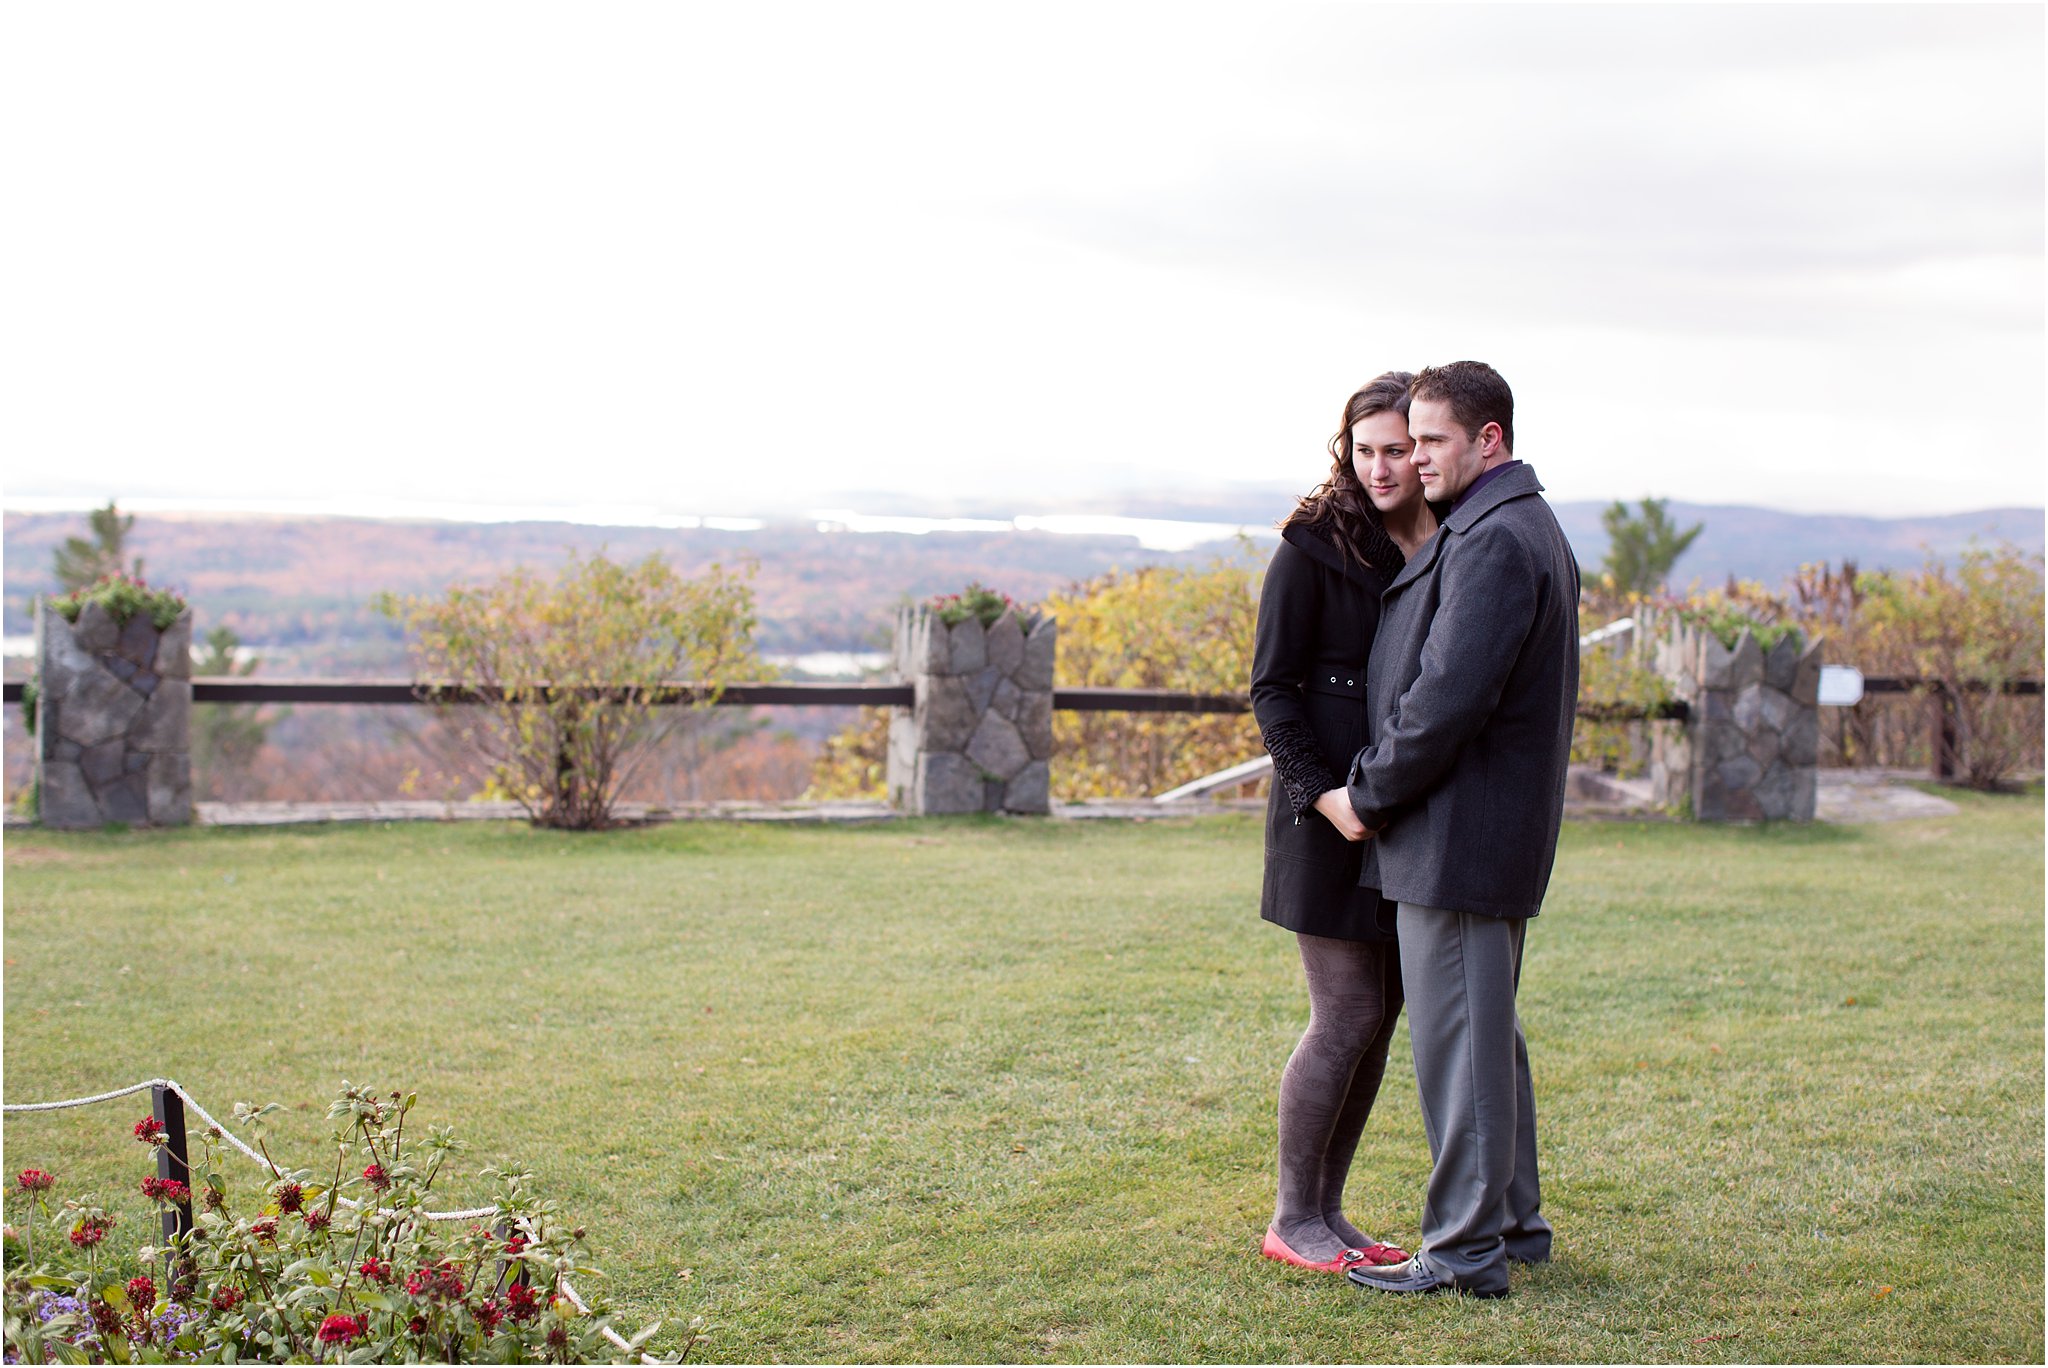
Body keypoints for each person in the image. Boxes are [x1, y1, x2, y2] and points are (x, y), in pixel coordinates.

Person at [1337, 360, 1579, 1299]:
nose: (1417, 456)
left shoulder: (1494, 539)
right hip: (1472, 831)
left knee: (1461, 1043)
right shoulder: (1509, 524)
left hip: (1460, 832)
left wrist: (1368, 792)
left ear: (1489, 440)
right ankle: (1512, 1223)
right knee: (1485, 1038)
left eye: (1433, 439)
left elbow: (1445, 701)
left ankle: (1467, 1250)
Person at [1248, 371, 1439, 1274]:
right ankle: (1293, 1217)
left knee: (1383, 1009)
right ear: (1346, 450)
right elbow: (1272, 691)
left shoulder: (1436, 542)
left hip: (1398, 816)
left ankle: (1330, 1211)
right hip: (1321, 814)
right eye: (1364, 451)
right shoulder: (1310, 549)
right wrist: (1324, 796)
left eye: (1396, 450)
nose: (1379, 467)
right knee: (1347, 1008)